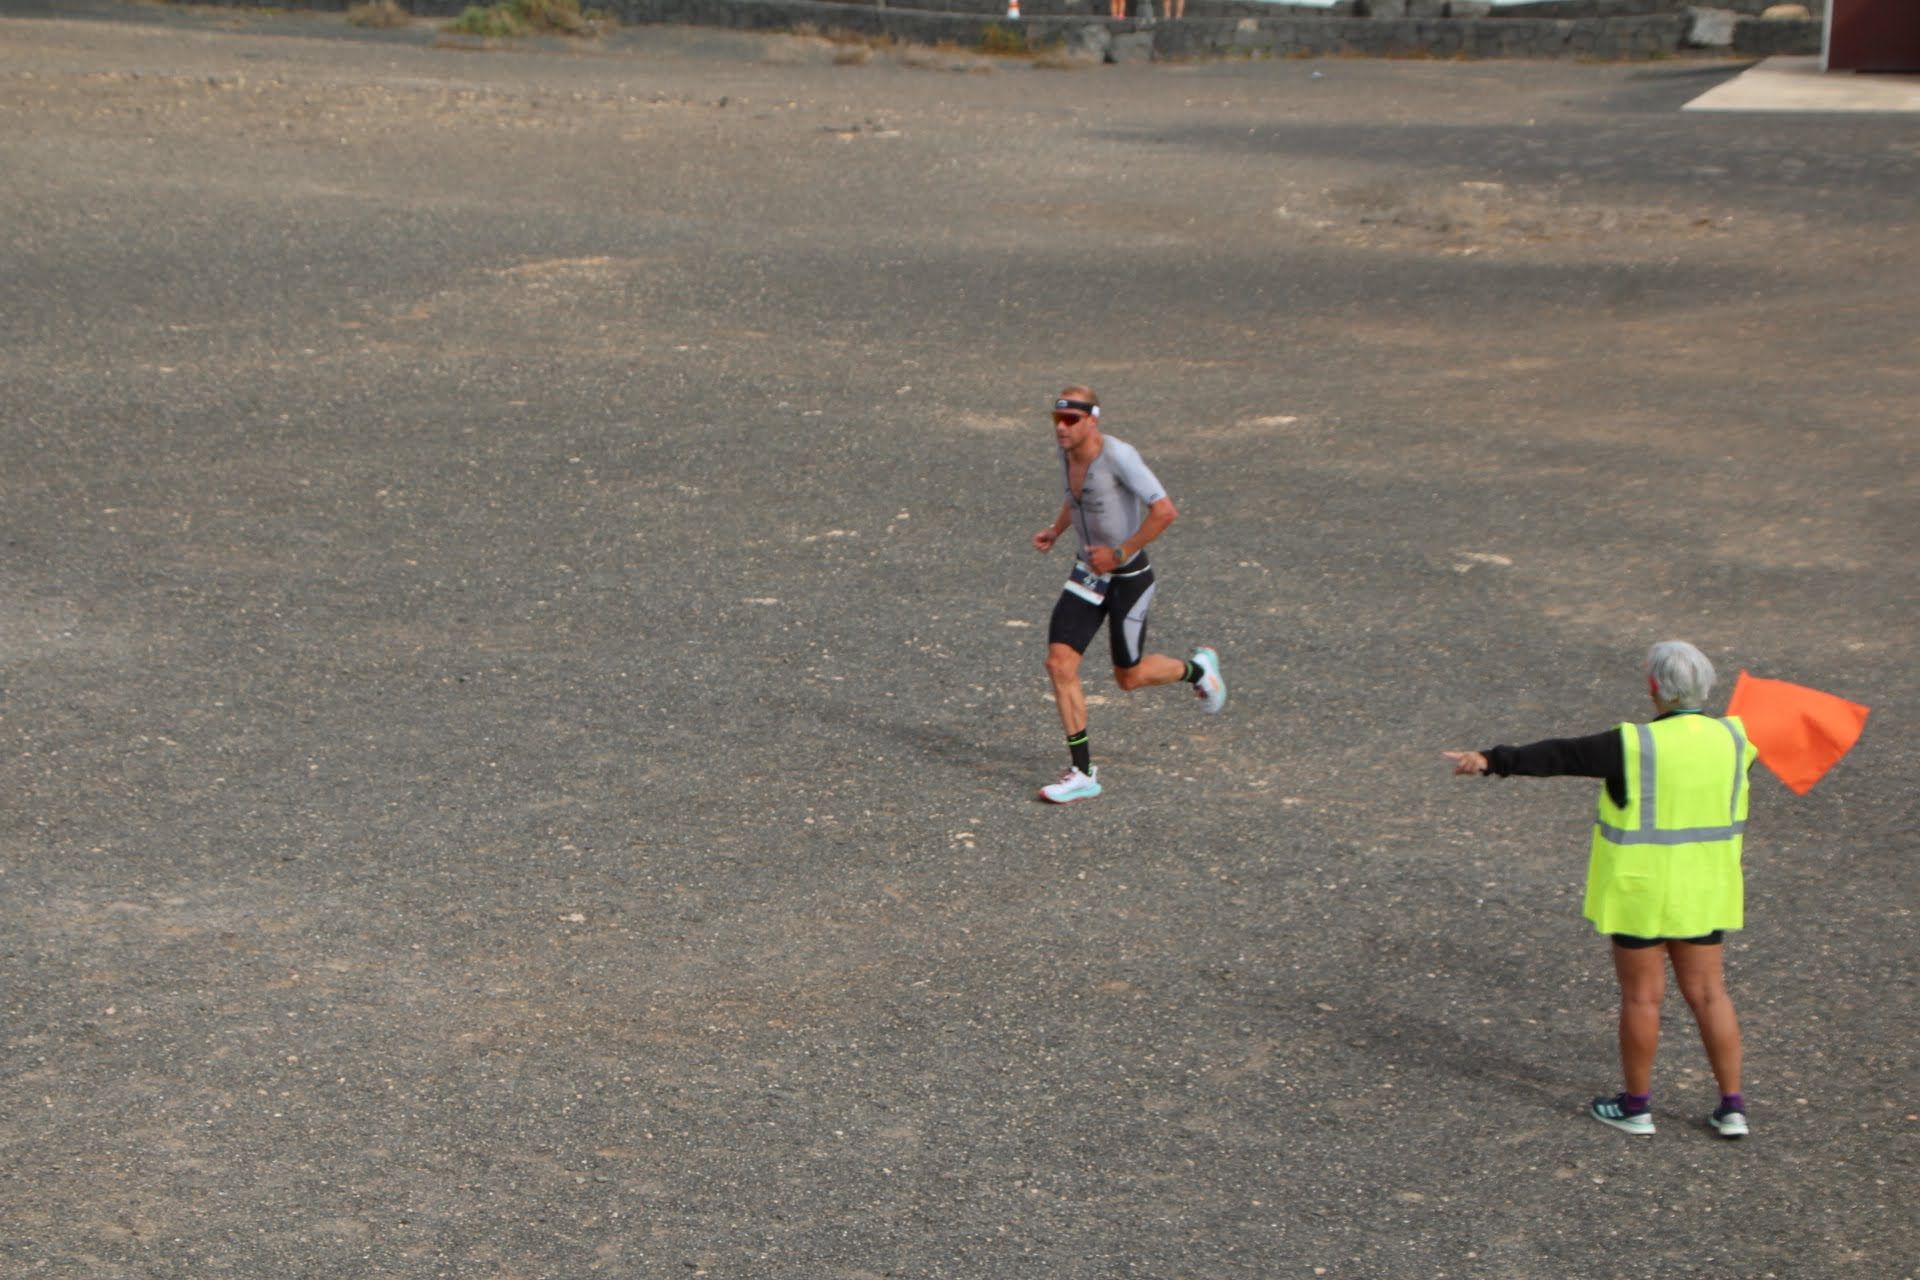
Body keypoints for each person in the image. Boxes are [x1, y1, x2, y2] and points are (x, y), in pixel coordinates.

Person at [1442, 640, 1758, 1139]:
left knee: (1642, 998)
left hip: (1641, 891)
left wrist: (1490, 760)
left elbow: (1562, 755)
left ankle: (1637, 1108)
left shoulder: (1632, 745)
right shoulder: (1737, 741)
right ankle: (1732, 1107)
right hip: (1705, 888)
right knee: (1710, 994)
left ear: (1654, 687)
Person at [1031, 385, 1224, 804]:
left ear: (1092, 420)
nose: (1061, 428)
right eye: (1057, 420)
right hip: (1088, 573)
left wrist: (1119, 552)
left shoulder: (1119, 456)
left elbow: (1165, 511)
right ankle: (1082, 772)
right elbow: (1076, 499)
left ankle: (1197, 669)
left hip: (1128, 576)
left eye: (1071, 420)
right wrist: (1056, 529)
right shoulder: (1066, 455)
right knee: (1059, 663)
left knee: (1129, 677)